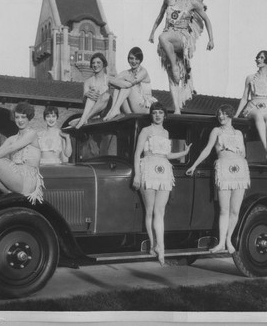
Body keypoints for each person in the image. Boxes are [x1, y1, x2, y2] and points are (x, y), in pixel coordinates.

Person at [149, 0, 214, 114]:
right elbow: (159, 17)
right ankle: (177, 108)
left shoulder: (192, 2)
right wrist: (151, 32)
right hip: (167, 40)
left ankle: (174, 66)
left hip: (182, 38)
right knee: (172, 76)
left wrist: (211, 39)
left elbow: (206, 19)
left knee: (163, 38)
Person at [186, 104, 250, 254]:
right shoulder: (216, 131)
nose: (221, 116)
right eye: (219, 114)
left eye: (224, 114)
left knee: (235, 210)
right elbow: (208, 149)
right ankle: (221, 242)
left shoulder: (239, 133)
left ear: (230, 115)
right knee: (224, 209)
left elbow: (243, 154)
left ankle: (229, 240)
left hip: (240, 170)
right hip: (223, 168)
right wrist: (194, 165)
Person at [133, 101, 191, 265]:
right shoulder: (146, 130)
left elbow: (166, 155)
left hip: (164, 171)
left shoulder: (166, 133)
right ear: (151, 115)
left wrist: (184, 152)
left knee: (160, 211)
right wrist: (137, 175)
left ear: (165, 115)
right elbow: (137, 154)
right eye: (154, 112)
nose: (157, 115)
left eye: (160, 112)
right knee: (150, 211)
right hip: (148, 169)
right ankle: (154, 245)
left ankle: (161, 248)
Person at [234, 50, 267, 169]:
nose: (258, 59)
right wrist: (236, 114)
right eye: (258, 57)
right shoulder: (250, 78)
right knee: (258, 114)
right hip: (253, 106)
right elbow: (244, 98)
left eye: (261, 57)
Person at [74, 52, 133, 128]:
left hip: (105, 110)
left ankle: (85, 118)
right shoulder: (88, 82)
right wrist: (86, 95)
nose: (95, 65)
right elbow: (84, 101)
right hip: (93, 108)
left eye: (98, 62)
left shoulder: (108, 79)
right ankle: (84, 119)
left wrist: (112, 81)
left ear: (103, 64)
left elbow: (126, 85)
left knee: (105, 95)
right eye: (93, 63)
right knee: (91, 94)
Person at [103, 47, 157, 121]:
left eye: (136, 59)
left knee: (128, 85)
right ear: (128, 59)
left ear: (140, 60)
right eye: (131, 58)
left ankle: (115, 109)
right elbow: (115, 80)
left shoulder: (143, 71)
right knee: (118, 86)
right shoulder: (126, 72)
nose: (134, 61)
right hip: (130, 109)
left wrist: (110, 80)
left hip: (145, 107)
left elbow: (130, 83)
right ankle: (113, 110)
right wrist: (109, 80)